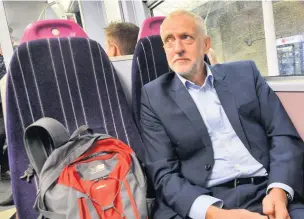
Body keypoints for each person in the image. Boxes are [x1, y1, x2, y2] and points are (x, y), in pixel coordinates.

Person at [139, 10, 304, 219]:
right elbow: (163, 174)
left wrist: (279, 192)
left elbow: (283, 135)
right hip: (204, 200)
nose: (178, 48)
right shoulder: (154, 97)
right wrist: (215, 214)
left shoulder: (245, 74)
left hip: (266, 188)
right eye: (169, 41)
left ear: (206, 44)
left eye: (186, 38)